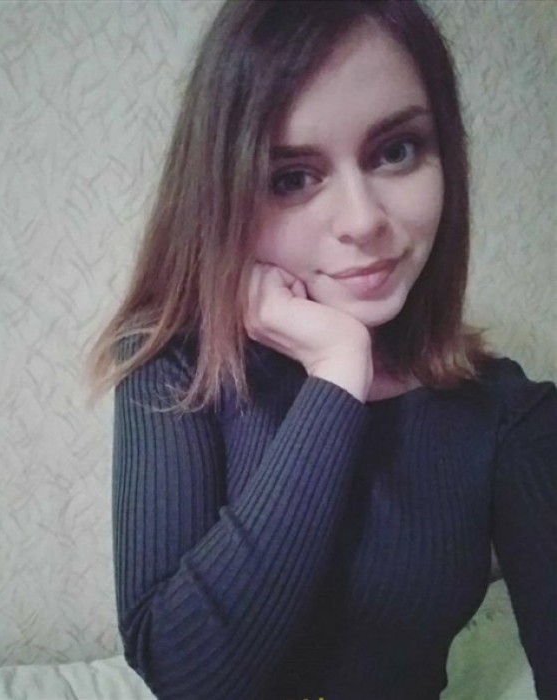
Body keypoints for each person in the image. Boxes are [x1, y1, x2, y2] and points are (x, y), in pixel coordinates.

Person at [86, 1, 557, 698]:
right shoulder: (176, 365)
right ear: (221, 197)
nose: (363, 221)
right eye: (291, 178)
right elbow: (183, 676)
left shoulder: (508, 413)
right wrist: (337, 375)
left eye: (396, 151)